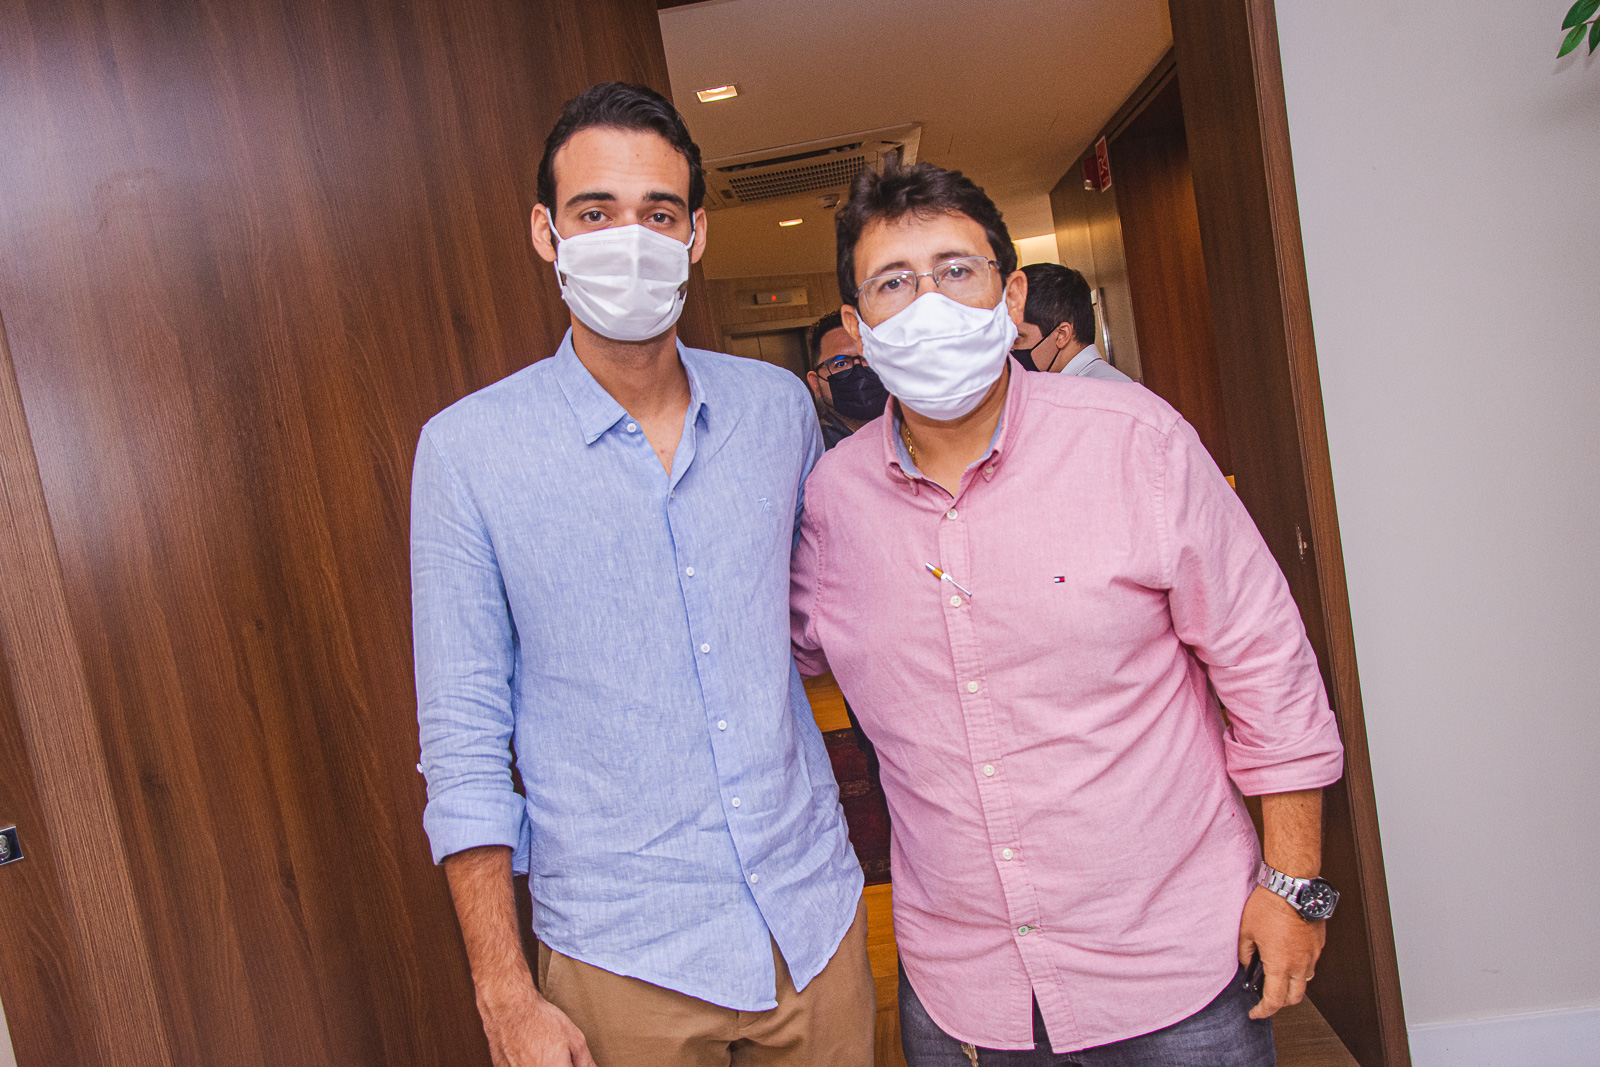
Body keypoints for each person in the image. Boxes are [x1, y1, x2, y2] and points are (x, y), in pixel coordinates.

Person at [790, 160, 1345, 1066]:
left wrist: (1294, 886)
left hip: (1175, 965)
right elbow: (763, 654)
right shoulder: (831, 502)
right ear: (856, 327)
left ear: (1011, 298)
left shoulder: (1136, 442)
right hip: (966, 990)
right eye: (893, 282)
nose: (929, 303)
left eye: (957, 270)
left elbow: (1269, 667)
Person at [412, 81, 872, 1067]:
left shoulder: (777, 410)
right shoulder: (467, 451)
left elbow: (832, 615)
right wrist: (504, 992)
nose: (630, 239)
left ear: (696, 234)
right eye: (595, 212)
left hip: (814, 923)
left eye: (658, 213)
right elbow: (461, 741)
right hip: (622, 958)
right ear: (546, 232)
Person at [1011, 262, 1132, 382]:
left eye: (1016, 337)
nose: (1008, 348)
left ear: (1062, 335)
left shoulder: (1106, 388)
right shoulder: (1060, 383)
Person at [805, 310, 890, 448]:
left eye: (867, 358)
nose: (859, 371)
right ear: (815, 383)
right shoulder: (815, 452)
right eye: (841, 364)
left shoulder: (914, 434)